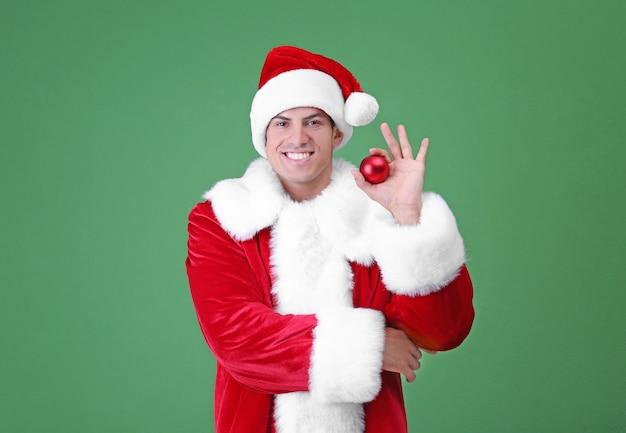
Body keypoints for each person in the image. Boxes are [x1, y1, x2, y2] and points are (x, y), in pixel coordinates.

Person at [186, 45, 475, 433]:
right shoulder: (223, 218)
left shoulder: (375, 215)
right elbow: (238, 339)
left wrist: (407, 218)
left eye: (314, 122)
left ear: (337, 132)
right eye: (282, 123)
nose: (298, 137)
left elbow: (444, 332)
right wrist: (372, 349)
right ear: (264, 134)